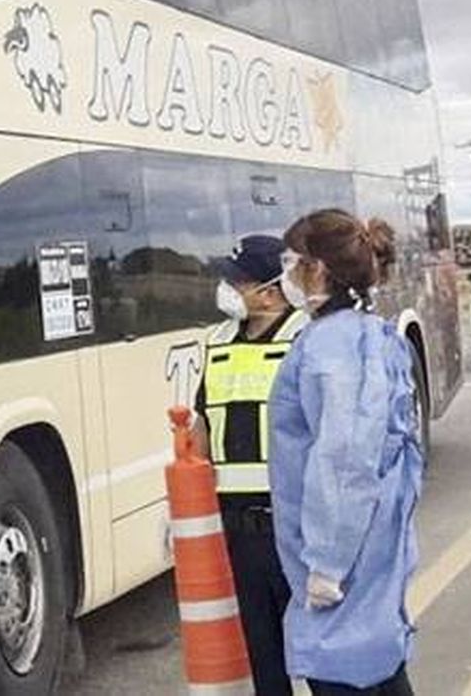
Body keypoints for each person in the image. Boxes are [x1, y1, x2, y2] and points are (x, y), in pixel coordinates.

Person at [268, 209, 423, 695]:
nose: (285, 275)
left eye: (292, 262)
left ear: (319, 270)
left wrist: (327, 565)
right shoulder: (373, 335)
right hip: (374, 549)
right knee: (382, 671)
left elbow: (342, 461)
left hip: (340, 564)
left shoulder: (328, 351)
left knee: (347, 673)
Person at [195, 234, 308, 696]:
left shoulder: (305, 339)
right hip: (240, 532)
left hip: (296, 530)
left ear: (269, 291)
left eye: (236, 281)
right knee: (265, 660)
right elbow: (203, 421)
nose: (227, 290)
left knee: (323, 662)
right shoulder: (218, 342)